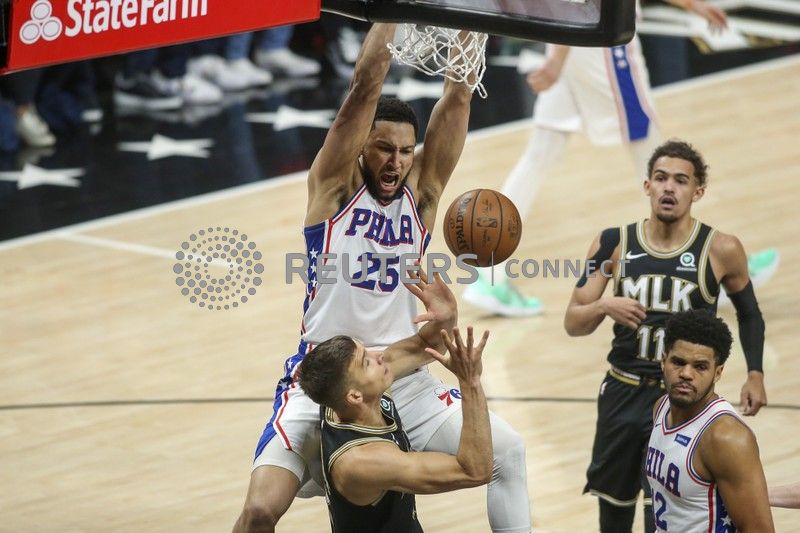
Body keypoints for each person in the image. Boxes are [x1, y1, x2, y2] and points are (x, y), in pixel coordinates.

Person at [233, 23, 531, 533]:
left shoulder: (423, 195)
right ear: (361, 148)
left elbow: (458, 94)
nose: (396, 161)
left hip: (403, 375)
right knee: (261, 510)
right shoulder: (333, 190)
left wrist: (472, 17)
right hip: (327, 375)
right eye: (383, 148)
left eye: (406, 151)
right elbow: (364, 86)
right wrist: (390, 13)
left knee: (508, 453)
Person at [463, 0, 779, 316]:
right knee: (656, 156)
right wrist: (558, 59)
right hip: (600, 36)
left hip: (571, 34)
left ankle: (489, 275)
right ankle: (711, 271)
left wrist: (690, 4)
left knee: (541, 154)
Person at [563, 139, 768, 533]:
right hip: (623, 391)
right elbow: (573, 321)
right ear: (647, 186)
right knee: (613, 507)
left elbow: (750, 314)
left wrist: (755, 373)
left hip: (682, 399)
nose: (669, 188)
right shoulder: (613, 242)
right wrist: (604, 306)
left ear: (698, 192)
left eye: (680, 180)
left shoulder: (722, 248)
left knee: (663, 509)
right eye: (660, 178)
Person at [299, 271, 493, 531]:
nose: (379, 355)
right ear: (354, 396)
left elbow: (424, 343)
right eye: (366, 362)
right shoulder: (363, 462)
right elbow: (475, 470)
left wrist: (447, 316)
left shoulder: (345, 396)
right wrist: (471, 383)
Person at [646, 309, 774, 532]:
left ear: (718, 372)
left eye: (700, 366)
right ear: (663, 361)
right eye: (678, 362)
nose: (686, 374)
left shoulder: (725, 437)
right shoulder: (661, 407)